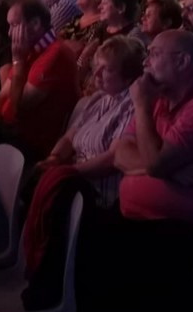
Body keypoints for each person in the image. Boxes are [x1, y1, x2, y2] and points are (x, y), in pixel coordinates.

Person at [103, 30, 193, 274]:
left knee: (101, 256)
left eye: (154, 54)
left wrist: (141, 106)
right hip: (146, 219)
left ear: (182, 61)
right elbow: (119, 151)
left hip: (192, 230)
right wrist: (170, 170)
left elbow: (154, 164)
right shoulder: (162, 98)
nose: (145, 62)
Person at [36, 35, 144, 206]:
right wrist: (53, 159)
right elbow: (70, 137)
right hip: (75, 181)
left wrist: (66, 172)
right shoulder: (98, 98)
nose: (97, 73)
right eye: (97, 66)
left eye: (107, 69)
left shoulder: (131, 106)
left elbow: (111, 159)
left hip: (99, 195)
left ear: (128, 77)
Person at [0, 0, 79, 161]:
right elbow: (2, 95)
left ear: (36, 24)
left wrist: (18, 62)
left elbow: (20, 104)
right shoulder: (29, 50)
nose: (9, 33)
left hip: (31, 146)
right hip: (7, 134)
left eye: (14, 26)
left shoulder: (56, 54)